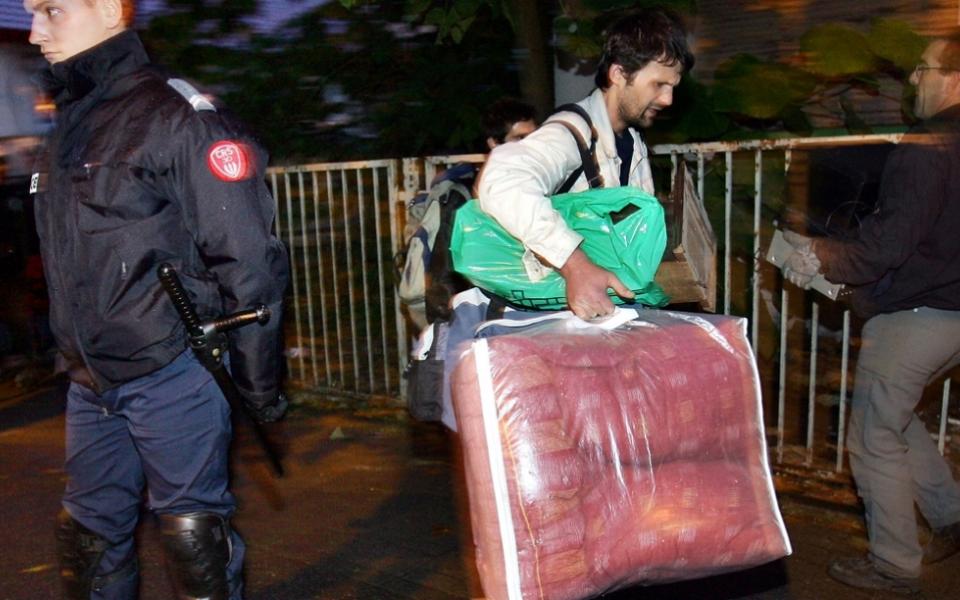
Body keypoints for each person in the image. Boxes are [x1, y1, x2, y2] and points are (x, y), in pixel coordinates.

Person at [23, 1, 289, 598]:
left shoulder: (176, 116)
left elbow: (248, 258)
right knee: (87, 539)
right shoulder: (68, 123)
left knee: (194, 540)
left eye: (52, 10)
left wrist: (258, 383)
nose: (36, 31)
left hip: (172, 369)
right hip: (89, 379)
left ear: (109, 10)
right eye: (31, 11)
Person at [782, 32, 960, 595]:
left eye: (924, 69)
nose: (914, 79)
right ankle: (951, 514)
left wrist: (819, 255)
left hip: (919, 315)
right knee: (897, 416)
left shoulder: (928, 146)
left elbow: (887, 247)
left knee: (871, 436)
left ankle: (894, 564)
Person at [477, 7, 694, 321]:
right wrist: (575, 264)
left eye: (673, 87)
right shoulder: (570, 133)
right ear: (619, 74)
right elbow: (503, 179)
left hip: (604, 320)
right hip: (557, 324)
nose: (667, 99)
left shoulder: (632, 143)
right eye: (658, 84)